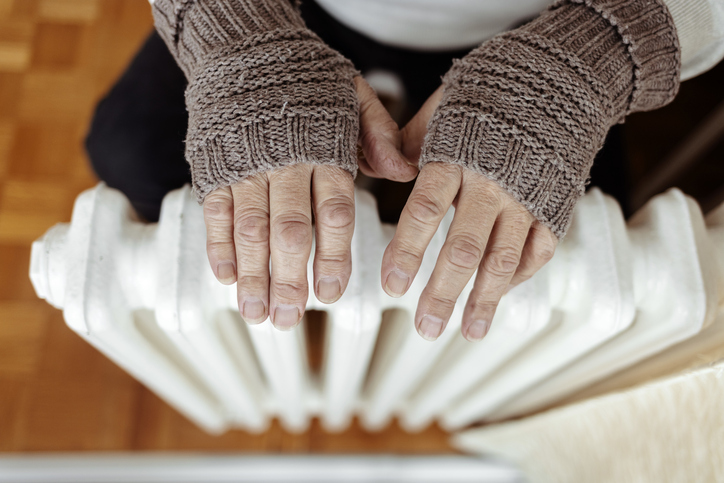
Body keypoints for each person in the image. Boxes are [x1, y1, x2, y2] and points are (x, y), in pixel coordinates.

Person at [86, 0, 724, 342]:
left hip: (554, 31)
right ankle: (261, 310)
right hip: (277, 9)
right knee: (129, 150)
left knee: (573, 232)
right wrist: (229, 25)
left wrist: (602, 50)